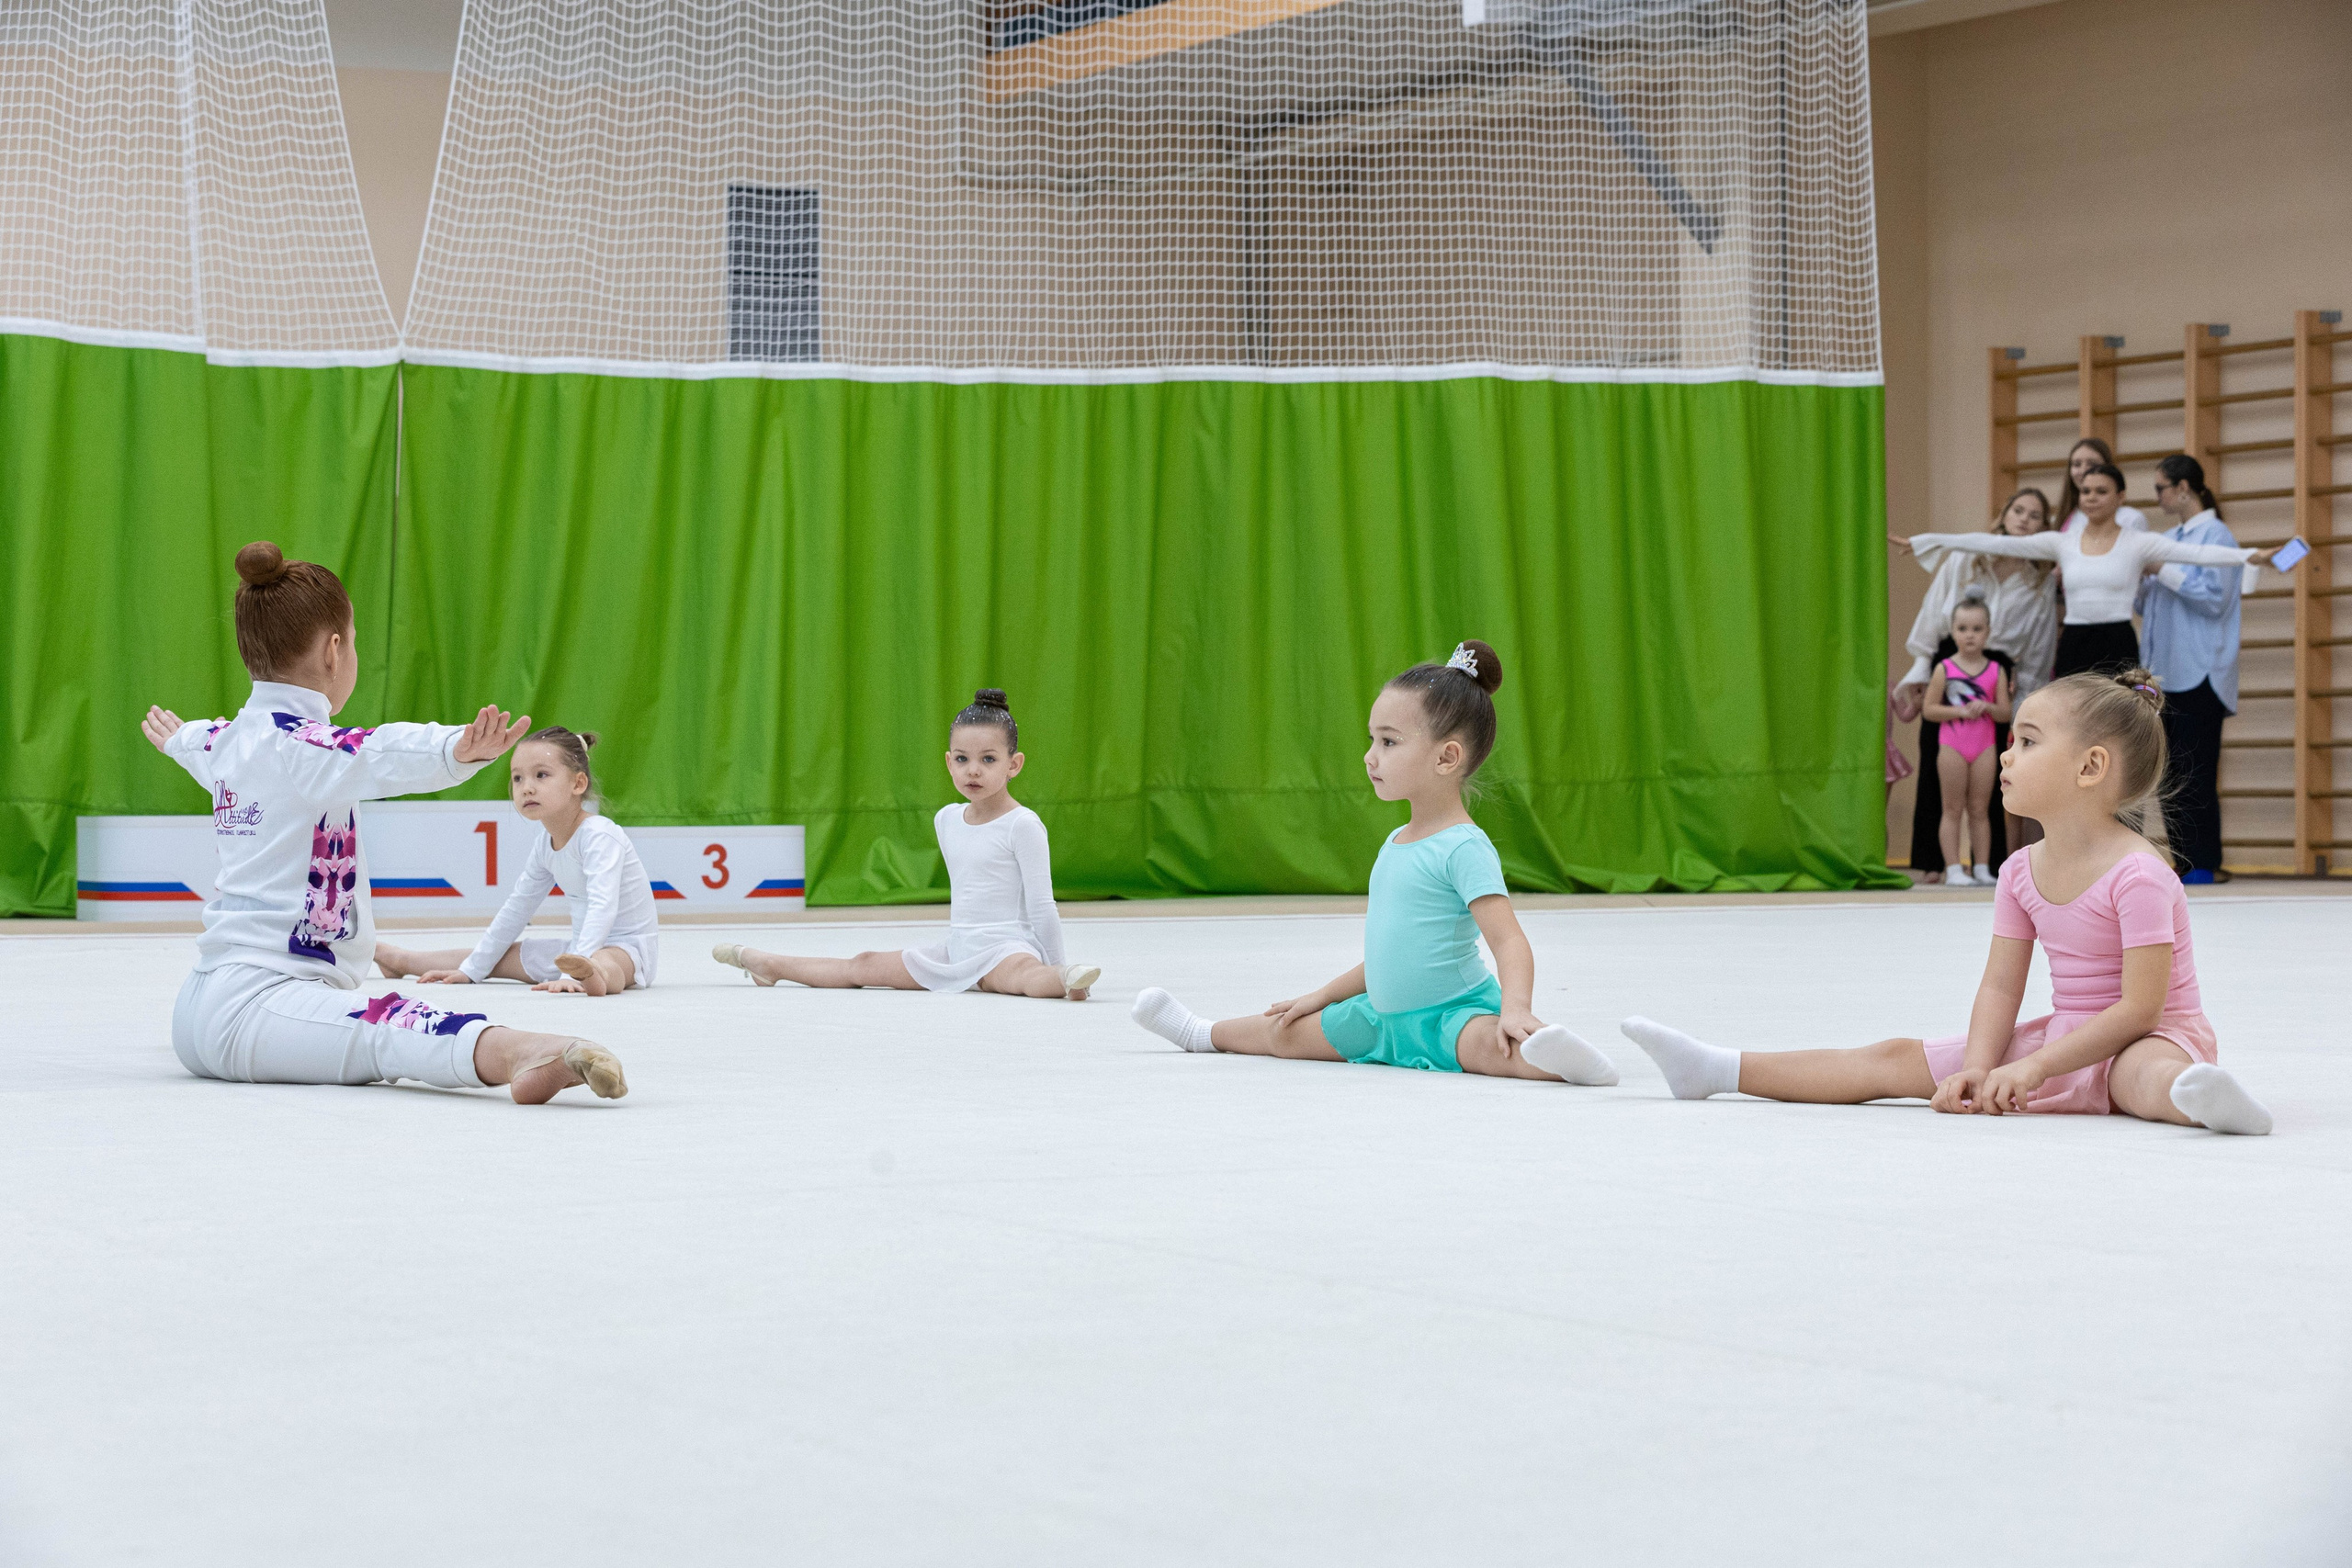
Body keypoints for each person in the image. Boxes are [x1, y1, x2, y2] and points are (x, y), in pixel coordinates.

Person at [1619, 670, 2272, 1134]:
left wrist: (2038, 1065)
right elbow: (1998, 988)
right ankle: (1720, 1067)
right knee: (1893, 1058)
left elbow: (2140, 1007)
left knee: (2140, 1077)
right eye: (2011, 740)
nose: (2007, 756)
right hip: (2067, 1035)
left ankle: (2199, 1098)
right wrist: (1981, 1066)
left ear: (2091, 767)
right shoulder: (2020, 871)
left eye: (2027, 741)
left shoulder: (2139, 873)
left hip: (2148, 1036)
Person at [143, 542, 628, 1104]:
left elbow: (194, 741)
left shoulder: (222, 740)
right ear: (333, 650)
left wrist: (176, 738)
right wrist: (457, 749)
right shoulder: (306, 746)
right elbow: (379, 750)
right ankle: (521, 1051)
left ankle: (515, 1050)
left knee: (380, 1021)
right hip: (263, 1007)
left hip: (204, 1005)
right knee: (391, 1022)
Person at [1128, 641, 1618, 1086]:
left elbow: (1508, 940)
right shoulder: (1396, 840)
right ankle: (1201, 1032)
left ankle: (1570, 1062)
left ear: (1447, 758)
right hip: (1378, 1020)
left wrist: (1515, 1008)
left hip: (1450, 1016)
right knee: (1285, 1032)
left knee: (1493, 1048)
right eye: (1372, 740)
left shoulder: (1463, 847)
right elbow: (1393, 952)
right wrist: (1322, 996)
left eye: (1388, 742)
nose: (1369, 757)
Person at [714, 689, 1099, 999]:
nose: (973, 770)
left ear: (1013, 765)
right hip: (956, 948)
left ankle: (1064, 979)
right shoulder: (947, 818)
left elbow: (1042, 905)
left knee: (1023, 978)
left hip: (1007, 948)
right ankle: (767, 964)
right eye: (963, 759)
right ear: (949, 762)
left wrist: (1056, 966)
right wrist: (958, 951)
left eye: (988, 759)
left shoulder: (1023, 824)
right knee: (863, 963)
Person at [1902, 463, 2271, 680]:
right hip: (2075, 644)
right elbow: (1994, 543)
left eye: (2101, 491)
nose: (2091, 497)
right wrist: (1929, 540)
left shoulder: (2138, 542)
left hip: (2119, 642)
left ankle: (2126, 814)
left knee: (2127, 727)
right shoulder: (2062, 542)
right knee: (2070, 728)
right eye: (2086, 491)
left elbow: (2199, 554)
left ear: (2120, 498)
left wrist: (2250, 556)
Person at [376, 727, 660, 995]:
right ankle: (400, 960)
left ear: (578, 783)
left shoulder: (599, 834)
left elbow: (603, 906)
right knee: (498, 955)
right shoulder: (544, 844)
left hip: (627, 950)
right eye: (518, 778)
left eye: (542, 775)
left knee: (607, 962)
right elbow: (518, 908)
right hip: (578, 949)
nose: (527, 788)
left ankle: (591, 976)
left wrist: (570, 971)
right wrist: (472, 971)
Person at [1894, 486, 2056, 876]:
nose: (2024, 520)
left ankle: (1993, 864)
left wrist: (2026, 705)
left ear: (2043, 528)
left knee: (1997, 776)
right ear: (2003, 515)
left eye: (2035, 516)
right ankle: (1935, 864)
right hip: (1949, 660)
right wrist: (1919, 671)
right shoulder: (1966, 558)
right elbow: (1932, 614)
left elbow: (2039, 643)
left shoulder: (2040, 579)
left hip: (1999, 670)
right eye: (2019, 510)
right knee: (1938, 769)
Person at [2137, 454, 2244, 884]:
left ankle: (2203, 861)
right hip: (2164, 671)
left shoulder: (2216, 535)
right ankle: (2183, 860)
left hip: (2200, 668)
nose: (2158, 497)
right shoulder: (2171, 538)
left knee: (2197, 769)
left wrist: (2162, 569)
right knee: (2170, 771)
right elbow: (2148, 603)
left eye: (2161, 487)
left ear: (2184, 488)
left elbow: (2214, 597)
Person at [1924, 593, 2011, 887]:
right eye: (1962, 629)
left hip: (1985, 747)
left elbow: (2004, 713)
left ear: (1987, 631)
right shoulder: (1945, 668)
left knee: (1980, 809)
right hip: (1952, 746)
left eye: (1976, 629)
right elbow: (1929, 709)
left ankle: (1983, 867)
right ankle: (1954, 868)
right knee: (1952, 808)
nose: (1969, 635)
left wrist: (1986, 707)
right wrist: (1959, 710)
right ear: (1953, 631)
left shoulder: (1996, 670)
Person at [2055, 436, 2148, 536]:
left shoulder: (2130, 519)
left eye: (2092, 464)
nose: (2083, 471)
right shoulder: (2066, 517)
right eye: (2077, 464)